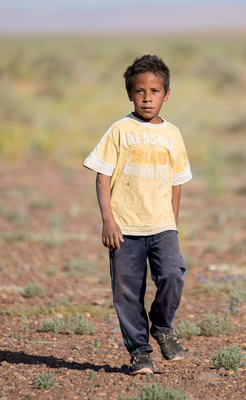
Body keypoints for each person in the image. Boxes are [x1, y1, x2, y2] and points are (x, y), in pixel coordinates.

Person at [83, 55, 192, 375]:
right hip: (124, 228)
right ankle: (140, 352)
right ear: (130, 94)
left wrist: (173, 224)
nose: (147, 97)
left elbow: (176, 183)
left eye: (155, 91)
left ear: (166, 94)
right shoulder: (120, 130)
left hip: (162, 226)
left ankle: (162, 326)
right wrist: (108, 219)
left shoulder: (172, 134)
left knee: (173, 275)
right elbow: (102, 176)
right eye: (140, 91)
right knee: (127, 292)